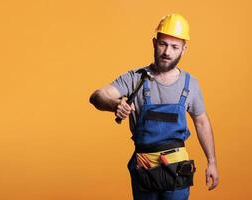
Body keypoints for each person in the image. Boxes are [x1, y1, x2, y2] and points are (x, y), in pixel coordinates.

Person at [89, 13, 219, 200]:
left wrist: (212, 162)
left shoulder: (190, 85)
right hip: (145, 169)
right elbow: (97, 96)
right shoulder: (135, 78)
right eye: (163, 44)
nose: (167, 52)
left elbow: (202, 123)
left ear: (184, 49)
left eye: (175, 47)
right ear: (154, 43)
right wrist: (114, 104)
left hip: (177, 172)